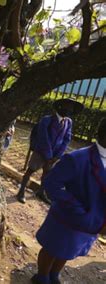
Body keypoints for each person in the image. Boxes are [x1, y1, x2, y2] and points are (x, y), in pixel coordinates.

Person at [32, 118, 106, 284]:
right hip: (68, 218)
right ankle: (42, 276)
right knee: (53, 248)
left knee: (68, 250)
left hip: (91, 222)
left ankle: (54, 275)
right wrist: (77, 209)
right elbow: (52, 184)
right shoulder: (78, 158)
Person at [17, 98, 83, 204]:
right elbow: (44, 138)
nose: (69, 110)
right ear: (60, 107)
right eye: (67, 107)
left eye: (71, 109)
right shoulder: (47, 120)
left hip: (54, 156)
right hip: (41, 152)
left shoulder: (68, 122)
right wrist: (48, 156)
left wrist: (57, 156)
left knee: (47, 174)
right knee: (30, 170)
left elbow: (67, 138)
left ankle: (41, 192)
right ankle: (21, 191)